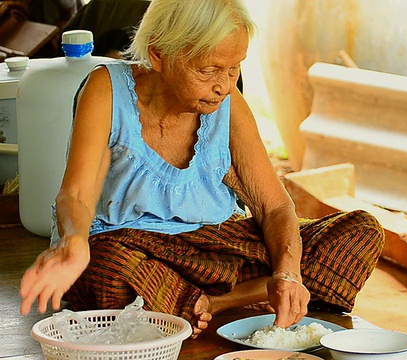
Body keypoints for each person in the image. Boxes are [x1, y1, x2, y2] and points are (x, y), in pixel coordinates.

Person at [19, 0, 385, 339]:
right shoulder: (106, 89)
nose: (223, 86)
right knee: (106, 270)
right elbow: (77, 193)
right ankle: (236, 298)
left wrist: (287, 272)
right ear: (159, 54)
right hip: (133, 248)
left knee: (360, 231)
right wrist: (74, 242)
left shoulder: (228, 103)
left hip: (217, 250)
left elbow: (274, 207)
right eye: (208, 69)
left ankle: (207, 304)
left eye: (234, 68)